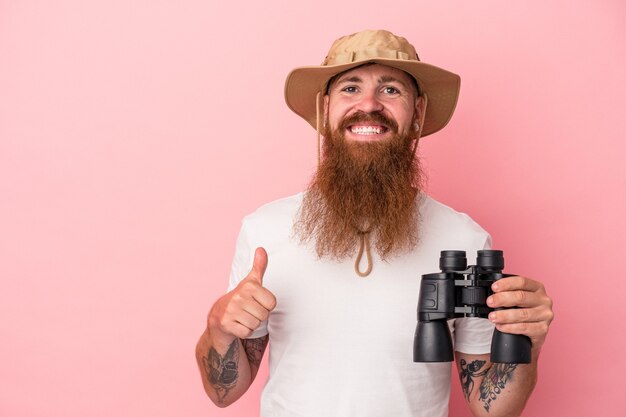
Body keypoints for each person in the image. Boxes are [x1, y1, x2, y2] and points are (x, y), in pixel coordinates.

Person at [195, 29, 553, 417]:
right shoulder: (264, 228)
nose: (369, 104)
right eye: (350, 88)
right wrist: (219, 326)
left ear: (416, 114)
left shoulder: (464, 238)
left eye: (391, 90)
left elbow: (492, 408)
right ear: (324, 108)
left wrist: (527, 343)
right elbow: (222, 394)